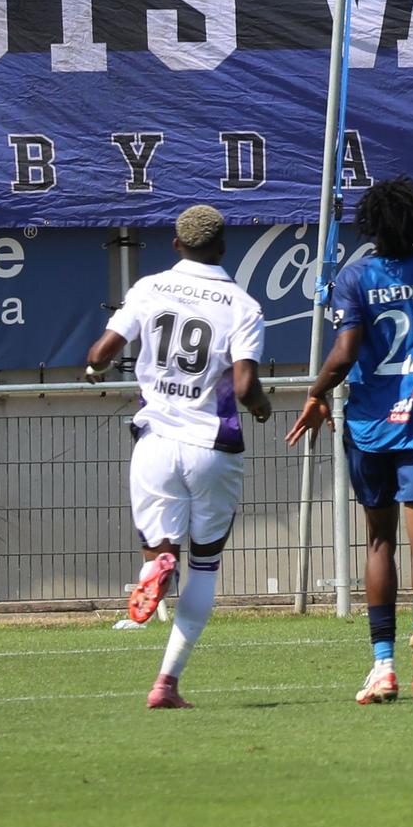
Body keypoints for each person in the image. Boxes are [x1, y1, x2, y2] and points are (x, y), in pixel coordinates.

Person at [283, 178, 413, 708]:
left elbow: (346, 349)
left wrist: (315, 392)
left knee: (379, 541)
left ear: (370, 223)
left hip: (371, 428)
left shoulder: (357, 276)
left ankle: (382, 667)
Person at [79, 204, 272, 710]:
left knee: (160, 545)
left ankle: (156, 567)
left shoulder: (149, 288)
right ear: (224, 246)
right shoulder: (242, 305)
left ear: (176, 244)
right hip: (212, 443)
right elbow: (246, 383)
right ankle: (166, 682)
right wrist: (263, 407)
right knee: (204, 567)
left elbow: (100, 354)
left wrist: (96, 372)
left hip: (156, 441)